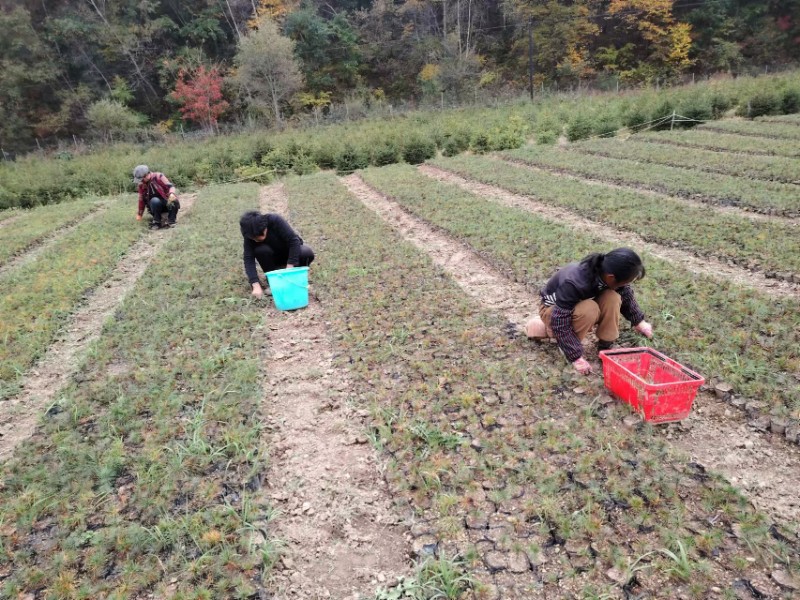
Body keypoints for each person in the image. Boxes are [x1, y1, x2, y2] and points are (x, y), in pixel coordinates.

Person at [525, 248, 653, 375]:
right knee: (589, 308)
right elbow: (560, 319)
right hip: (553, 311)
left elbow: (625, 294)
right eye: (627, 281)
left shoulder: (607, 273)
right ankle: (559, 340)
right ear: (611, 278)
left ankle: (605, 346)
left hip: (577, 304)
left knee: (612, 297)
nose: (627, 284)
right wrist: (575, 356)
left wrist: (639, 322)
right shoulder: (575, 282)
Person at [239, 211, 315, 299]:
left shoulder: (274, 220)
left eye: (258, 237)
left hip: (288, 255)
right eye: (253, 238)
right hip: (272, 260)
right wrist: (255, 285)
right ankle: (274, 282)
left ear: (265, 228)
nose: (255, 240)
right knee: (261, 250)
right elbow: (248, 258)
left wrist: (290, 268)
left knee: (306, 252)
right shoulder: (249, 234)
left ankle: (297, 278)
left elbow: (294, 241)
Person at [133, 165, 180, 229]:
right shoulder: (141, 185)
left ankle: (171, 221)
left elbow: (171, 187)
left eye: (142, 179)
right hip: (154, 206)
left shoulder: (159, 176)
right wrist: (139, 214)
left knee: (174, 199)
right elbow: (141, 200)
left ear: (146, 175)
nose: (141, 181)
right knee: (154, 200)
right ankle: (157, 222)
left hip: (167, 202)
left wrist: (172, 194)